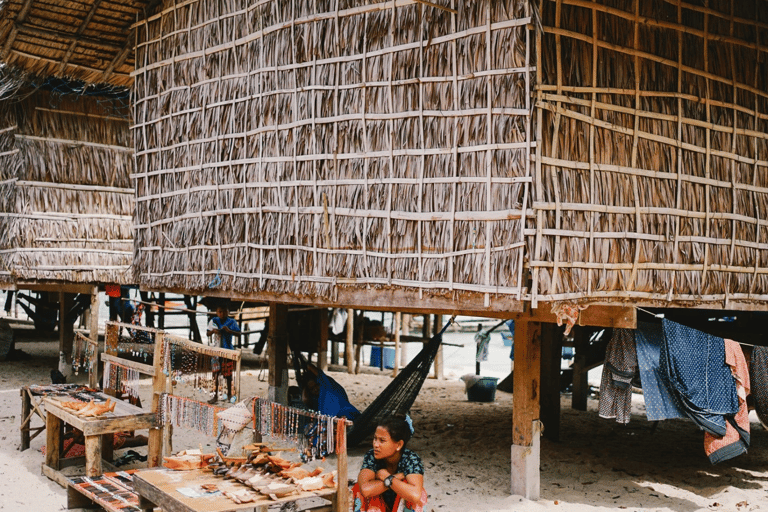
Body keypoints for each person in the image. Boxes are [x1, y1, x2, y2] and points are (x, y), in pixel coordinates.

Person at [353, 416, 427, 512]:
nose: (375, 444)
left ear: (399, 445)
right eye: (375, 439)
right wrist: (396, 477)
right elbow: (365, 490)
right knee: (358, 489)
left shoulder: (410, 459)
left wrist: (387, 477)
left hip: (401, 507)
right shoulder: (371, 456)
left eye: (382, 440)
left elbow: (415, 495)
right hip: (378, 507)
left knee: (417, 493)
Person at [206, 305, 241, 403]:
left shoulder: (232, 322)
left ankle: (229, 394)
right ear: (217, 312)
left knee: (228, 374)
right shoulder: (214, 321)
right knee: (216, 374)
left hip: (227, 351)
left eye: (224, 312)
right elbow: (207, 333)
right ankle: (215, 395)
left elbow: (239, 333)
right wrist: (213, 331)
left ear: (228, 312)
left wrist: (229, 331)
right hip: (216, 351)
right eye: (220, 312)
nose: (222, 314)